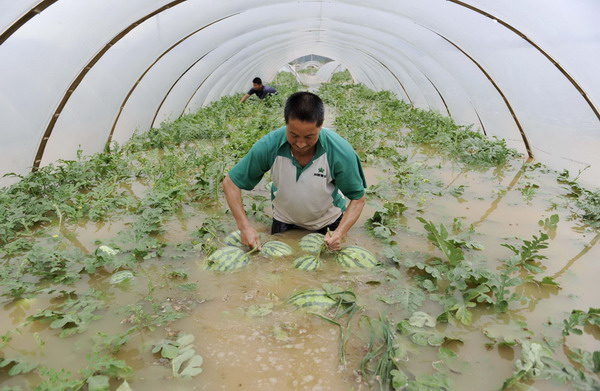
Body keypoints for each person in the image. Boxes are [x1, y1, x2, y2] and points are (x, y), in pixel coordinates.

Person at [223, 91, 367, 251]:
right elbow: (231, 183)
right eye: (294, 135)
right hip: (284, 220)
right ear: (286, 124)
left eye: (309, 137)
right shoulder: (270, 145)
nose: (300, 143)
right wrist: (245, 228)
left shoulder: (340, 152)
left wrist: (339, 233)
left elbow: (358, 199)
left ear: (320, 125)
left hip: (327, 223)